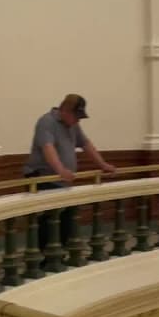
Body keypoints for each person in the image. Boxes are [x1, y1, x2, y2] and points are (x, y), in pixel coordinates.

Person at [24, 94, 116, 254]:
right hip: (43, 177)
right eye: (76, 116)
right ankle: (45, 257)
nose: (78, 121)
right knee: (50, 220)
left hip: (61, 181)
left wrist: (103, 164)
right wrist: (60, 170)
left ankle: (59, 253)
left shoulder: (73, 125)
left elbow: (86, 144)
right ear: (65, 111)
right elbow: (48, 148)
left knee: (67, 217)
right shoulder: (46, 122)